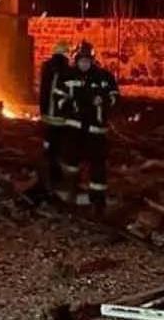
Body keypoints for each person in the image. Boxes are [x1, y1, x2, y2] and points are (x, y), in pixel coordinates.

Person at [60, 42, 120, 212]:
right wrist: (72, 105)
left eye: (87, 60)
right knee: (71, 162)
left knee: (98, 164)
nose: (84, 64)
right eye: (81, 60)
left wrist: (104, 100)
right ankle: (70, 195)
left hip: (96, 130)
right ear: (76, 60)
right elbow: (59, 99)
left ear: (92, 60)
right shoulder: (68, 76)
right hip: (74, 128)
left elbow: (115, 97)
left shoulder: (104, 77)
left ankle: (97, 200)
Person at [31, 42, 73, 201]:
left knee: (49, 146)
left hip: (48, 115)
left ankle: (47, 175)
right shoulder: (67, 70)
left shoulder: (47, 67)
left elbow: (44, 91)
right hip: (62, 118)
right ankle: (58, 177)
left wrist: (42, 112)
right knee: (60, 148)